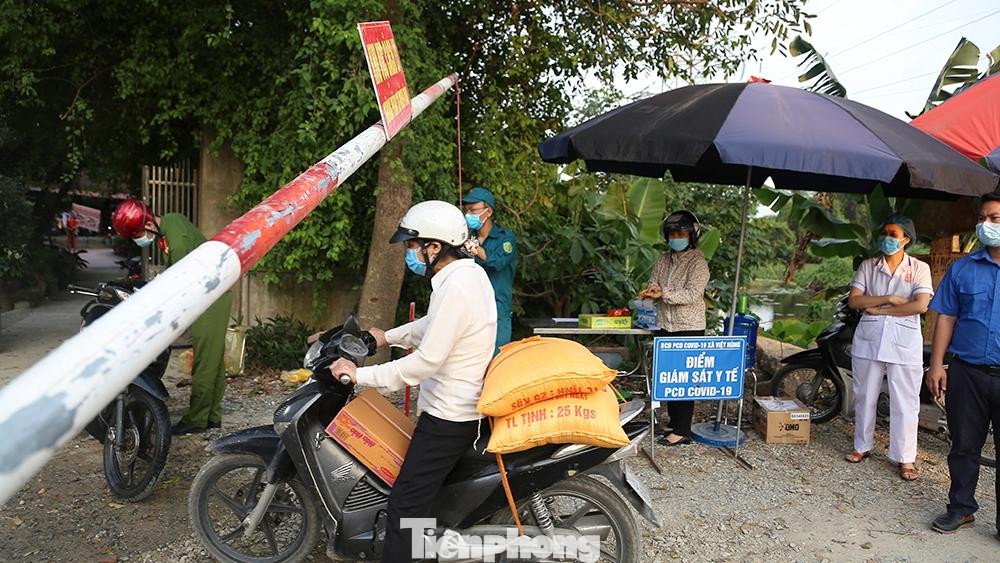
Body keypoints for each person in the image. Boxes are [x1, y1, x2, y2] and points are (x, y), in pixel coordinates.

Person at [329, 200, 496, 562]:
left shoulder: (455, 288)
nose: (410, 254)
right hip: (459, 409)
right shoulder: (467, 276)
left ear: (434, 247)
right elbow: (432, 326)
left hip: (449, 418)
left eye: (412, 246)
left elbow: (425, 363)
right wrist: (385, 336)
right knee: (420, 496)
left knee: (406, 504)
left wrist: (360, 375)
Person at [112, 199, 233, 435]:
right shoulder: (171, 222)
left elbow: (180, 283)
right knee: (213, 360)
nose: (140, 239)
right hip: (211, 293)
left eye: (139, 233)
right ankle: (212, 416)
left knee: (205, 362)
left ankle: (197, 419)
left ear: (148, 222)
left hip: (211, 298)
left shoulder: (176, 242)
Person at [927, 192, 1000, 534]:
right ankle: (961, 508)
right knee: (964, 446)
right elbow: (946, 318)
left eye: (995, 218)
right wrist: (937, 364)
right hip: (967, 372)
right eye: (983, 218)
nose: (986, 224)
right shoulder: (963, 268)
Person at [843, 214, 932, 480]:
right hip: (870, 341)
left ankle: (905, 458)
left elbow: (921, 305)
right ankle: (862, 446)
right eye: (884, 233)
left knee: (906, 401)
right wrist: (891, 299)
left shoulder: (919, 268)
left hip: (904, 344)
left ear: (906, 240)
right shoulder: (869, 266)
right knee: (864, 396)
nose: (887, 238)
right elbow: (854, 301)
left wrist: (880, 310)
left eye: (893, 234)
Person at [639, 210, 710, 446]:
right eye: (672, 234)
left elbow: (692, 293)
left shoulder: (698, 263)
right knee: (668, 376)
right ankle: (672, 422)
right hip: (664, 325)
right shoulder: (663, 259)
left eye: (680, 233)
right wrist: (651, 290)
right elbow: (654, 280)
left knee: (684, 379)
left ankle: (682, 431)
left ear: (691, 236)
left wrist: (664, 294)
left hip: (688, 326)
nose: (675, 237)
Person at [461, 186, 517, 354]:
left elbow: (498, 263)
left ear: (488, 212)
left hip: (497, 307)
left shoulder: (505, 238)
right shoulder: (465, 238)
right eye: (466, 210)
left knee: (496, 358)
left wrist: (477, 250)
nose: (468, 214)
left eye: (473, 210)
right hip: (471, 308)